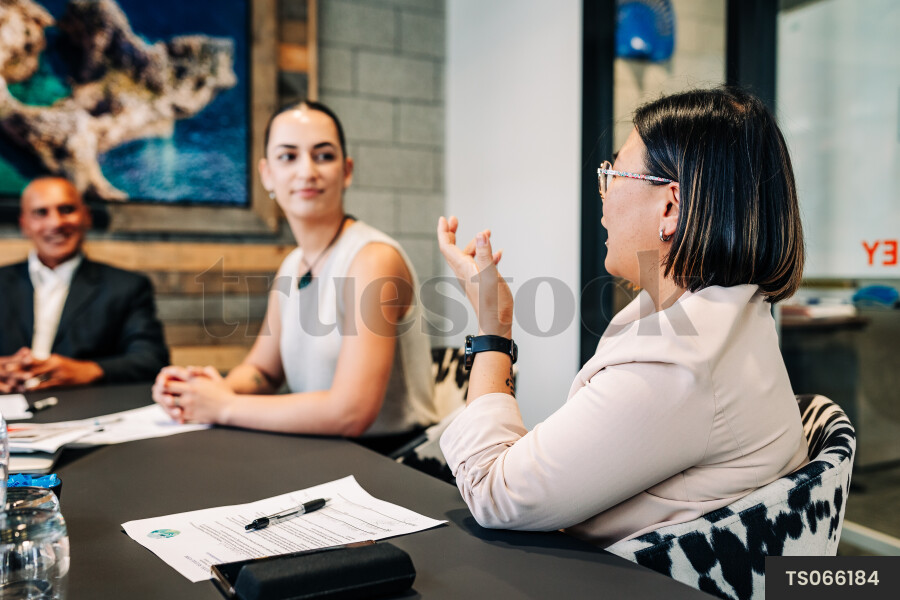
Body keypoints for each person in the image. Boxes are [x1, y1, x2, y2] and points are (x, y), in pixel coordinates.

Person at [436, 87, 809, 548]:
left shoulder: (676, 363)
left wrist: (494, 326)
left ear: (670, 207)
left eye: (612, 173)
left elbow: (496, 494)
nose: (604, 197)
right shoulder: (733, 313)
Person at [152, 100, 437, 452]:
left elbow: (352, 413)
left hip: (395, 461)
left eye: (324, 155)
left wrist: (225, 406)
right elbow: (263, 372)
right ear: (266, 173)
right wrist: (200, 388)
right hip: (323, 451)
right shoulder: (292, 265)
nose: (307, 171)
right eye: (288, 156)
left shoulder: (374, 259)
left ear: (346, 171)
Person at [0, 177, 169, 392]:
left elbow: (151, 359)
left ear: (86, 217)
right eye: (41, 213)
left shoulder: (127, 287)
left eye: (67, 209)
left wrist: (89, 370)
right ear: (24, 224)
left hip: (84, 409)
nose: (56, 223)